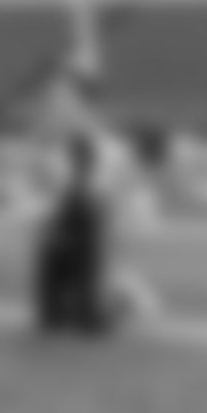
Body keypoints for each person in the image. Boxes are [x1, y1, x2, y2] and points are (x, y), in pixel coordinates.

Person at [17, 64, 159, 337]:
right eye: (51, 99)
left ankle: (110, 302)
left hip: (93, 228)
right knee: (50, 317)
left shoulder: (108, 148)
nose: (52, 106)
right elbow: (33, 192)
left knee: (88, 314)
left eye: (61, 99)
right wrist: (44, 215)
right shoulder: (47, 146)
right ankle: (81, 303)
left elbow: (128, 197)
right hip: (60, 225)